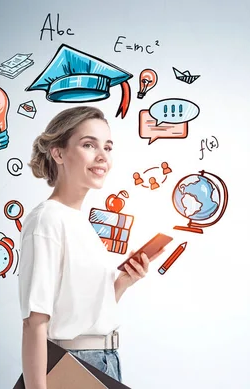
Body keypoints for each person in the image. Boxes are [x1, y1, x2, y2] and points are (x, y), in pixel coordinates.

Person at [18, 106, 162, 388]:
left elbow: (83, 312)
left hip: (104, 360)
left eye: (107, 147)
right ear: (58, 153)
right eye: (88, 145)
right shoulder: (47, 220)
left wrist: (122, 282)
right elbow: (34, 322)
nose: (102, 157)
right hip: (72, 363)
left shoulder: (81, 223)